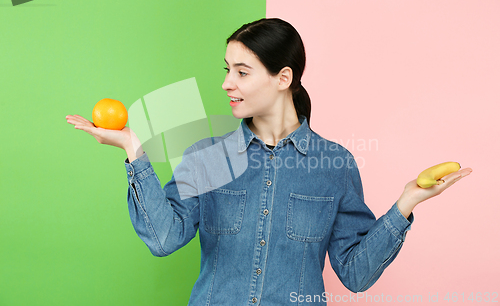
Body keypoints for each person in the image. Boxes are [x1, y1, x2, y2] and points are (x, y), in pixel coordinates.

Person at [66, 18, 472, 305]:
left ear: (283, 78)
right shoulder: (208, 157)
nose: (227, 83)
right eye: (228, 70)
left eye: (242, 72)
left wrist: (406, 204)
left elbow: (356, 274)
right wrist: (133, 150)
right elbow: (163, 238)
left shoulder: (334, 165)